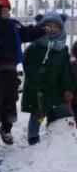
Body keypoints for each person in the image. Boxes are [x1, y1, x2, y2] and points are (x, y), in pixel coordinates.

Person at [0, 0, 45, 145]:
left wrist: (40, 30)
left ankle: (6, 128)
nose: (5, 12)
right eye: (1, 10)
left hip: (10, 69)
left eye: (7, 9)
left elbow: (27, 33)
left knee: (10, 100)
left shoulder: (13, 25)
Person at [21, 13, 73, 144]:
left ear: (61, 29)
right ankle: (33, 136)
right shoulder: (35, 47)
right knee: (38, 113)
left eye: (56, 27)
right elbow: (27, 64)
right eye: (48, 26)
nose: (53, 29)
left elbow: (66, 71)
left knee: (57, 111)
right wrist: (36, 79)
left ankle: (54, 133)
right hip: (38, 86)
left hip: (56, 87)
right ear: (42, 28)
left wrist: (67, 88)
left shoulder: (62, 50)